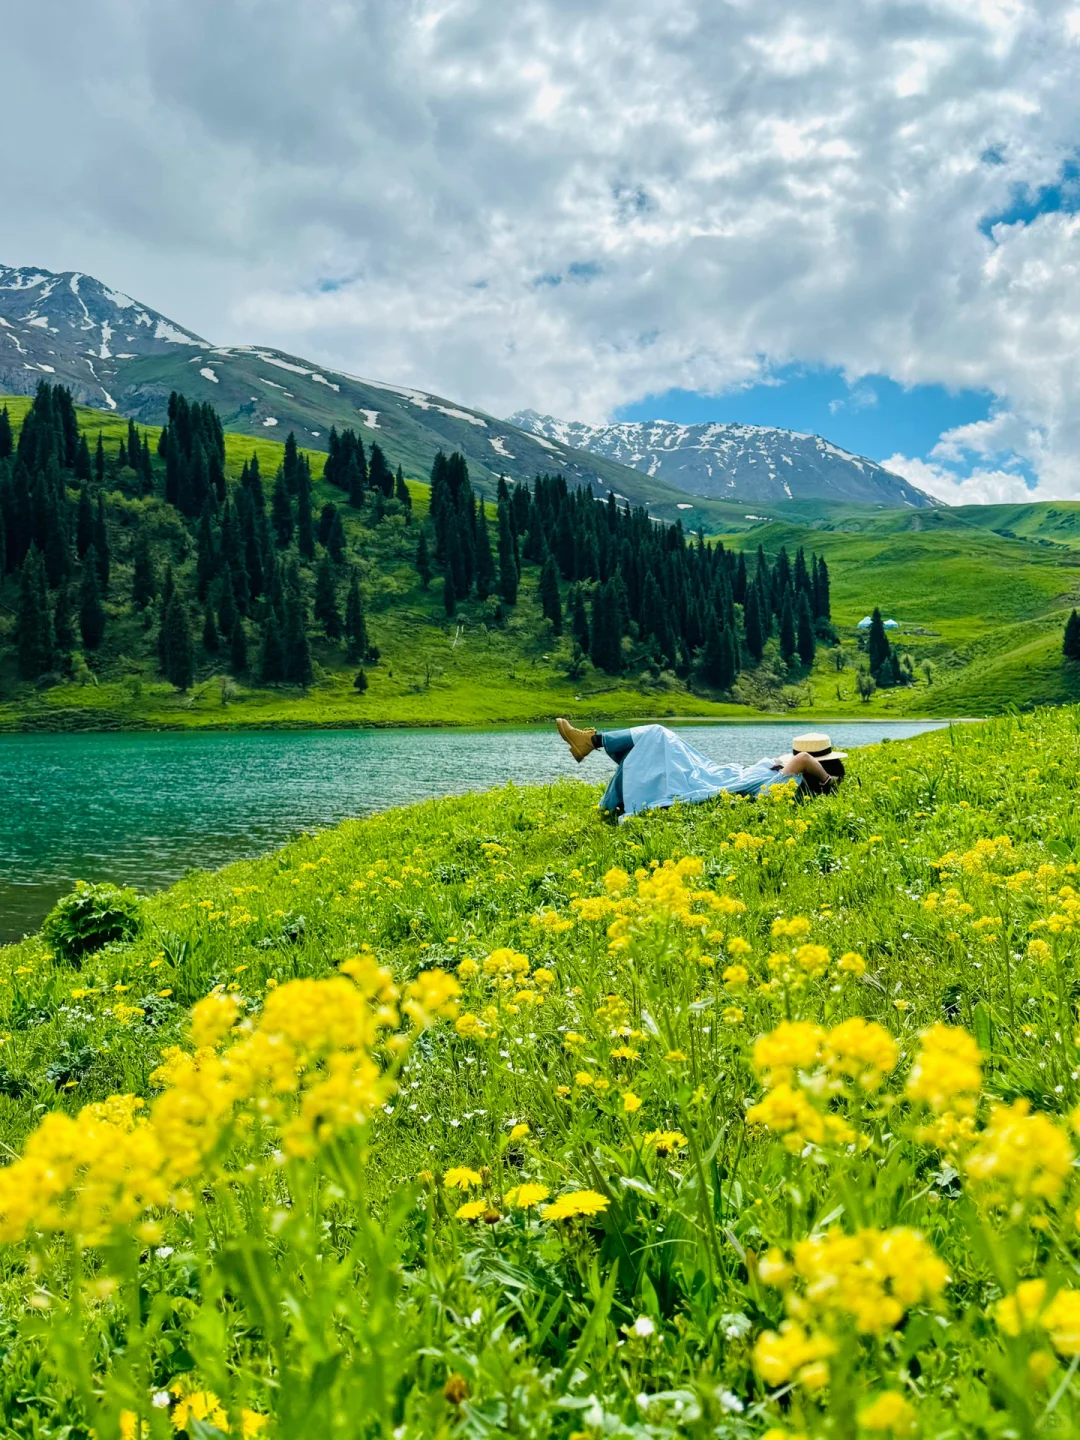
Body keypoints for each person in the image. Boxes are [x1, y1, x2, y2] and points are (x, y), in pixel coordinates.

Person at [556, 718, 846, 820]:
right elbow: (803, 759)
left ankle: (593, 742)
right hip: (711, 771)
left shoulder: (785, 785)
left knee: (654, 737)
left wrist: (828, 780)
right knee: (651, 742)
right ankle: (591, 745)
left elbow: (805, 758)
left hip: (703, 779)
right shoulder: (784, 774)